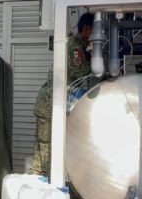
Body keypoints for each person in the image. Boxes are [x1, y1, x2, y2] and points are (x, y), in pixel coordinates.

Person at [28, 12, 96, 177]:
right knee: (45, 150)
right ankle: (38, 183)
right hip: (50, 104)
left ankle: (44, 180)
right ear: (86, 29)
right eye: (94, 32)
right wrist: (95, 56)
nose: (94, 37)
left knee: (52, 149)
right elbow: (81, 72)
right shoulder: (74, 46)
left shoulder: (79, 46)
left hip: (57, 104)